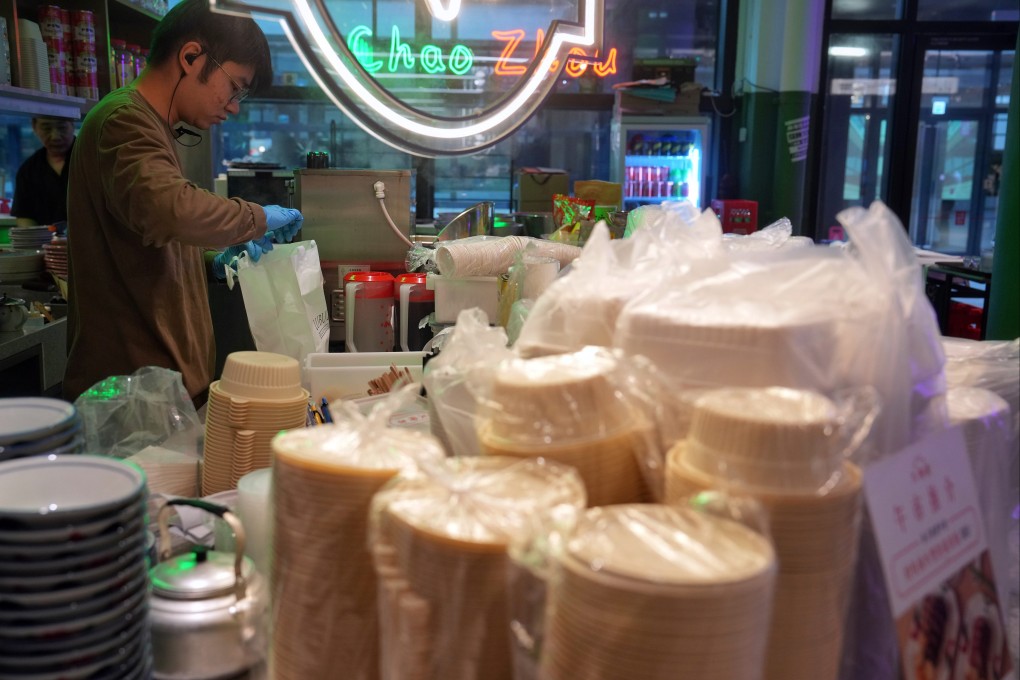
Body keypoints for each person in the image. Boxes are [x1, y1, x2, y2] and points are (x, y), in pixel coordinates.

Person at [63, 0, 303, 408]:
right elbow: (169, 210)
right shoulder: (123, 121)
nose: (234, 107)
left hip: (157, 394)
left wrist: (212, 262)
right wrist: (257, 217)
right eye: (235, 87)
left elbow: (151, 240)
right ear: (191, 57)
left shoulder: (154, 127)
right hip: (130, 402)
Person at [11, 116, 75, 226]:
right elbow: (24, 216)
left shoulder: (92, 159)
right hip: (44, 237)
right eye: (46, 128)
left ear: (72, 124)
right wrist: (32, 235)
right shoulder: (28, 170)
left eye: (62, 127)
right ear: (34, 127)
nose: (55, 136)